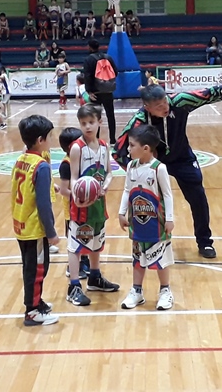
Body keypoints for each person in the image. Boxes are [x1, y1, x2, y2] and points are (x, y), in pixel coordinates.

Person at [115, 80, 222, 258]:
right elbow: (118, 151)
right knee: (150, 203)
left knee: (198, 199)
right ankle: (153, 242)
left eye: (164, 102)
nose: (165, 107)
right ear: (147, 107)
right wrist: (137, 171)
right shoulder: (138, 121)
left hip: (182, 159)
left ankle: (205, 242)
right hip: (154, 164)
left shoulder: (180, 101)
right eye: (158, 106)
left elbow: (211, 93)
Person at [66, 104, 120, 307]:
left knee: (97, 242)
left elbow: (109, 173)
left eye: (91, 122)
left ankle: (95, 277)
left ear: (99, 122)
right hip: (81, 206)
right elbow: (73, 177)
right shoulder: (77, 148)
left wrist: (105, 186)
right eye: (83, 123)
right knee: (76, 246)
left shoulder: (105, 146)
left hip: (98, 204)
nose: (87, 126)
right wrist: (76, 195)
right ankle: (73, 286)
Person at [118, 125, 175, 311]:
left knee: (160, 259)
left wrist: (170, 218)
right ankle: (137, 291)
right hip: (137, 222)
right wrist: (121, 212)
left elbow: (168, 195)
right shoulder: (131, 166)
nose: (128, 149)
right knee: (137, 258)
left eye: (131, 145)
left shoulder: (159, 169)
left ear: (145, 148)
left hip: (157, 223)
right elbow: (127, 190)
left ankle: (165, 291)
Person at [12, 115, 60, 326]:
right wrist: (51, 232)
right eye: (50, 136)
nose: (52, 140)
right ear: (40, 140)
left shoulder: (22, 159)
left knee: (30, 267)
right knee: (38, 269)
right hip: (34, 228)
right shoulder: (41, 166)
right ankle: (32, 311)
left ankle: (36, 302)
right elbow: (43, 204)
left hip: (20, 223)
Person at [56, 128, 90, 280]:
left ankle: (84, 260)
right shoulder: (66, 164)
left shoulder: (83, 160)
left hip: (85, 206)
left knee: (86, 234)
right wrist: (80, 197)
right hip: (72, 209)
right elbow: (63, 190)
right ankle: (72, 267)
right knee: (74, 239)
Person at [83, 39, 119, 145]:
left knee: (95, 116)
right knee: (110, 116)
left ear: (90, 47)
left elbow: (87, 76)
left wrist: (89, 91)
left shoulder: (88, 59)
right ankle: (112, 139)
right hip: (108, 91)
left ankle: (96, 139)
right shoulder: (108, 57)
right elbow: (115, 72)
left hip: (95, 93)